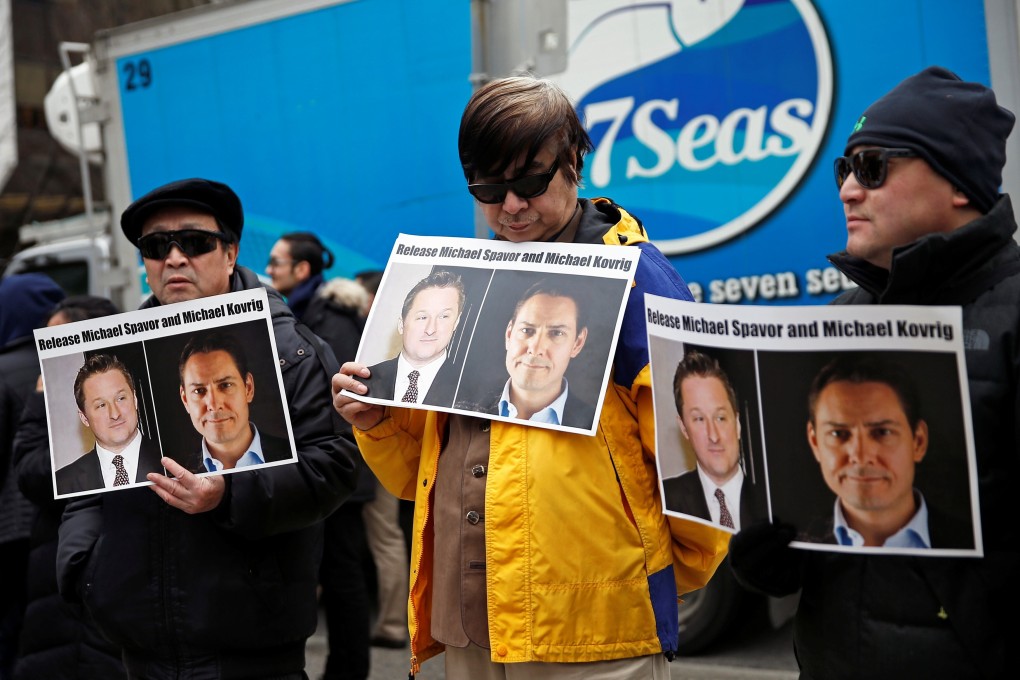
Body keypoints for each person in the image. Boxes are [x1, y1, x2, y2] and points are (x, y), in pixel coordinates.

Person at [333, 75, 729, 678]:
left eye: (530, 182)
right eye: (489, 187)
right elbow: (424, 477)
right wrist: (380, 420)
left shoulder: (636, 276)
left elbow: (700, 453)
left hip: (592, 635)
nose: (510, 206)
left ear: (574, 162)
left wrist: (651, 577)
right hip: (468, 624)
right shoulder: (465, 280)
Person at [728, 66, 1019, 678]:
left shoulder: (1011, 314)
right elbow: (814, 541)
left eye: (873, 168)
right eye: (844, 169)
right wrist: (768, 553)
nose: (847, 191)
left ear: (960, 184)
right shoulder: (838, 319)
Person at [56, 177, 358, 679]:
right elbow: (86, 488)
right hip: (142, 651)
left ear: (232, 252)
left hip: (256, 651)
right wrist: (85, 573)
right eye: (156, 247)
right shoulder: (111, 356)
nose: (174, 258)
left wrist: (229, 496)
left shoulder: (291, 350)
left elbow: (334, 467)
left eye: (195, 243)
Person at [266, 231, 379, 678]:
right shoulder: (306, 310)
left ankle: (349, 669)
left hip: (341, 469)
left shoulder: (326, 318)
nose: (270, 270)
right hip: (327, 465)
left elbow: (344, 398)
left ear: (303, 269)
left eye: (277, 262)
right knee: (336, 572)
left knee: (342, 575)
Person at [12, 295, 126, 679]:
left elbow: (33, 472)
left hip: (81, 605)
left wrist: (40, 397)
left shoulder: (90, 405)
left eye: (55, 342)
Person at [800, 354, 970, 549]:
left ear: (918, 441)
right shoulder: (791, 551)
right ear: (815, 442)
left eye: (882, 432)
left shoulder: (976, 544)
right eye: (838, 433)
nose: (861, 457)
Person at [0, 273, 65, 680]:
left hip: (9, 527)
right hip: (64, 519)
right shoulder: (66, 361)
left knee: (9, 630)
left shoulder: (2, 370)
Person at [662, 350, 764, 531]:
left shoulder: (772, 501)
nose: (714, 436)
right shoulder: (665, 500)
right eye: (699, 419)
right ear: (684, 428)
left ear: (737, 423)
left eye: (720, 418)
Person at [177, 331, 292, 472]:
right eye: (199, 391)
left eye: (225, 385)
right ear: (185, 399)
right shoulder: (173, 476)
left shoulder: (296, 453)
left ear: (248, 388)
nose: (213, 405)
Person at [486, 279, 593, 427]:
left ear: (578, 343)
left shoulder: (593, 423)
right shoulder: (460, 408)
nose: (535, 350)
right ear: (509, 334)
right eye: (526, 330)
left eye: (556, 333)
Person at [54, 354, 164, 494]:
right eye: (101, 405)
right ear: (84, 418)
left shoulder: (178, 462)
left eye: (121, 398)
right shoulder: (62, 484)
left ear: (135, 399)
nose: (115, 414)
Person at [363, 269, 464, 407]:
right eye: (422, 317)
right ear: (401, 325)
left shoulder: (472, 391)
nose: (430, 329)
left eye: (443, 316)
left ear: (456, 322)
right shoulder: (365, 380)